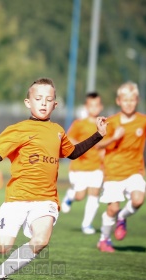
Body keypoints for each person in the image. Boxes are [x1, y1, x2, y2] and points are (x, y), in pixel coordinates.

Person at [0, 78, 107, 280]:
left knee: (41, 240)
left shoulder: (57, 131)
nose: (43, 103)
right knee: (2, 247)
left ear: (55, 104)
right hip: (18, 197)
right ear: (28, 102)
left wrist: (98, 136)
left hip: (46, 199)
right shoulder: (19, 129)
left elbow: (72, 152)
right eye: (38, 99)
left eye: (49, 100)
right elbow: (0, 149)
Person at [94, 81, 146, 253]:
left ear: (137, 100)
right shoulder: (111, 121)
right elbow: (98, 145)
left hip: (134, 171)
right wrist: (114, 137)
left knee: (138, 200)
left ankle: (122, 217)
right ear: (118, 101)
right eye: (125, 100)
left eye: (132, 100)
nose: (129, 103)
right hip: (113, 172)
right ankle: (104, 240)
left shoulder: (144, 121)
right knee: (112, 208)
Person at [60, 92, 105, 235]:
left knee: (94, 194)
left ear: (101, 106)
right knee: (80, 195)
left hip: (96, 166)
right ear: (86, 107)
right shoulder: (79, 124)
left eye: (96, 105)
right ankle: (70, 195)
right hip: (79, 166)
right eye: (90, 105)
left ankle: (87, 224)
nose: (94, 108)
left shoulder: (104, 124)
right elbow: (70, 139)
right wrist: (82, 147)